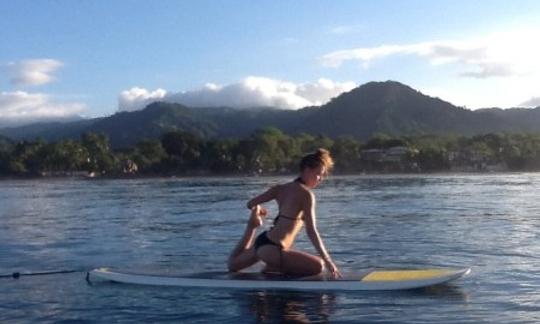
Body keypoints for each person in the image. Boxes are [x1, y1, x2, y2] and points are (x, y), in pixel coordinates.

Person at [227, 148, 341, 278]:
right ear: (307, 170)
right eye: (318, 174)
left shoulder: (280, 189)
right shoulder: (306, 195)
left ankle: (253, 232)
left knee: (232, 265)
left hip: (263, 242)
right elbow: (311, 231)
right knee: (318, 266)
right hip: (274, 250)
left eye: (322, 175)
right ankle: (273, 267)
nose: (320, 179)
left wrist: (257, 211)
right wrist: (328, 260)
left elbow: (250, 203)